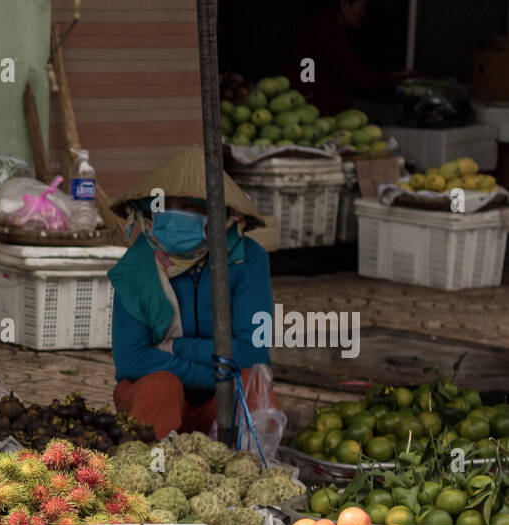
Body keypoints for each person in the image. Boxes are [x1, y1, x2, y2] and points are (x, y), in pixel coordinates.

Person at [108, 145, 275, 440]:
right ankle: (145, 464)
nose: (182, 215)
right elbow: (132, 359)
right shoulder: (136, 266)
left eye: (196, 207)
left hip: (221, 403)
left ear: (222, 216)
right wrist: (211, 375)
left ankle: (245, 466)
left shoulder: (249, 259)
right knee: (161, 385)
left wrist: (176, 348)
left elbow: (253, 351)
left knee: (252, 383)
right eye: (173, 206)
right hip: (162, 399)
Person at [293, 0, 416, 115]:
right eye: (362, 8)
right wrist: (395, 79)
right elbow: (353, 74)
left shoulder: (329, 27)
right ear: (344, 5)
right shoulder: (326, 29)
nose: (363, 13)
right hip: (317, 107)